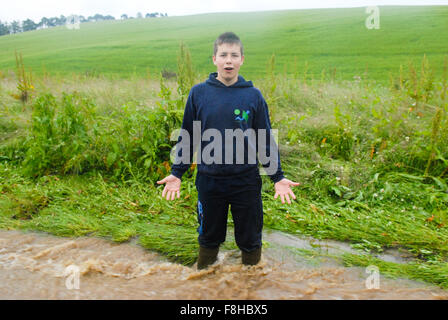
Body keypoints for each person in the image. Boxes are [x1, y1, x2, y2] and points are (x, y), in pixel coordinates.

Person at [157, 32, 300, 269]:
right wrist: (177, 172)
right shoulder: (199, 93)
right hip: (209, 181)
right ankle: (205, 283)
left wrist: (277, 177)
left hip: (246, 181)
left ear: (242, 59)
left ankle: (250, 285)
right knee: (208, 238)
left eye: (234, 55)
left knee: (251, 240)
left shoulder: (252, 95)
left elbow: (264, 139)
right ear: (214, 59)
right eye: (223, 55)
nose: (228, 60)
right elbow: (188, 136)